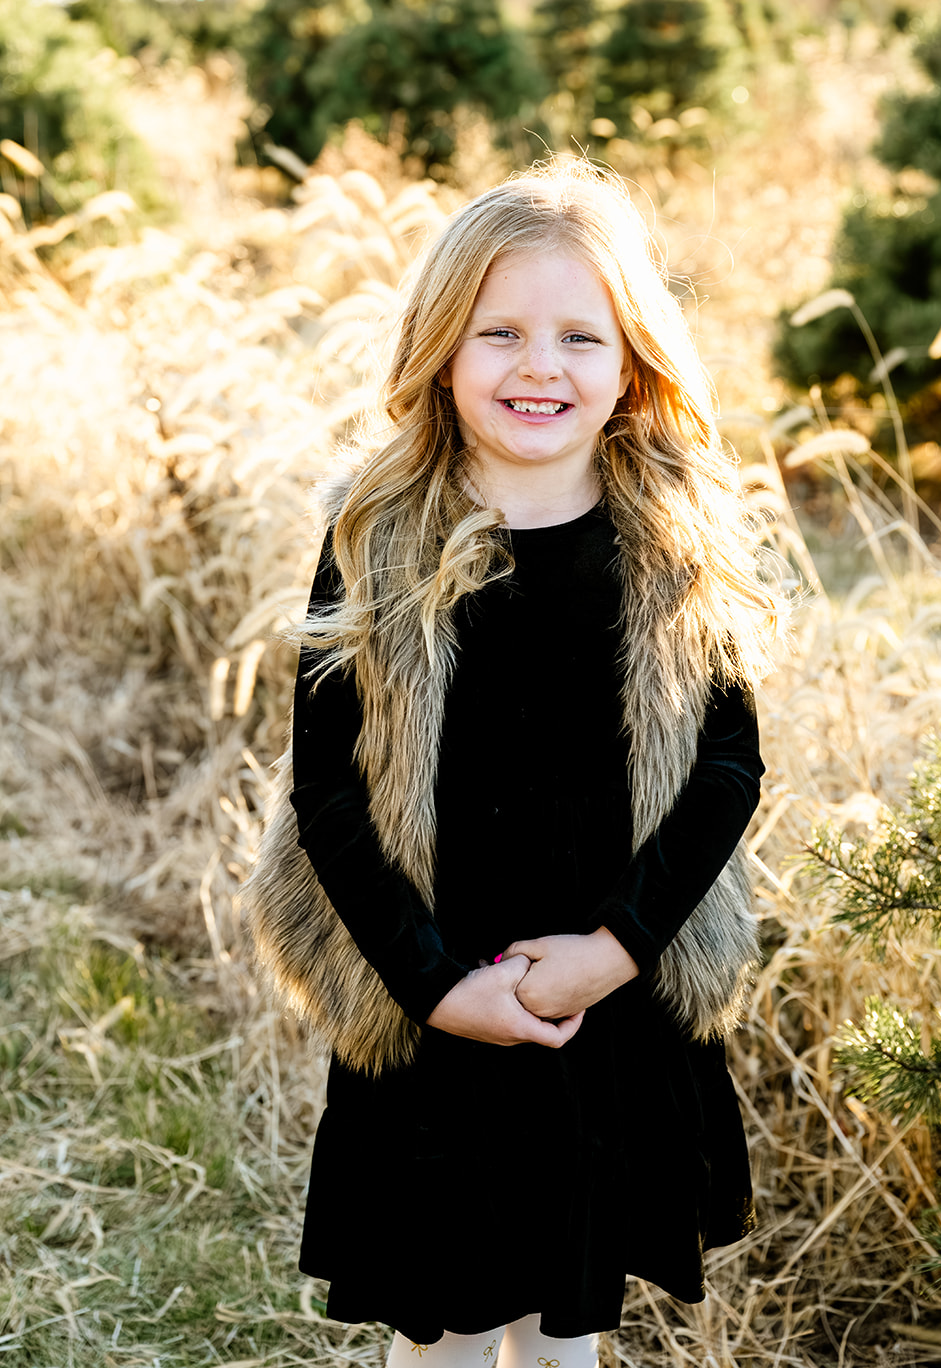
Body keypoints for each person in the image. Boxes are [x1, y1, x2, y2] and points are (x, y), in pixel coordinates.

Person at [242, 157, 779, 1368]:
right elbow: (325, 784)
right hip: (433, 985)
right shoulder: (375, 532)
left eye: (579, 335)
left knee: (563, 1323)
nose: (541, 366)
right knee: (444, 1322)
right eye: (501, 332)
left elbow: (726, 766)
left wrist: (615, 947)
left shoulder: (673, 532)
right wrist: (433, 985)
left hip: (609, 984)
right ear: (440, 347)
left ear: (633, 359)